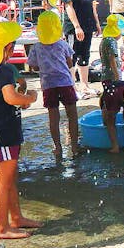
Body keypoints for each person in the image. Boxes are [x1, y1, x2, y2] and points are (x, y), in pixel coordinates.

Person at [0, 21, 42, 239]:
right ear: (8, 48)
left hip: (2, 130)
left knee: (9, 179)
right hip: (5, 132)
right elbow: (11, 97)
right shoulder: (2, 71)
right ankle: (2, 227)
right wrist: (29, 98)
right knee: (4, 182)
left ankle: (16, 217)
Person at [27, 11, 80, 158]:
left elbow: (33, 67)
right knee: (72, 115)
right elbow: (70, 63)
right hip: (65, 83)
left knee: (53, 118)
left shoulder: (36, 47)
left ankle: (58, 147)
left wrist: (45, 66)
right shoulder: (62, 44)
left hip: (48, 85)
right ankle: (75, 146)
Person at [60, 0, 101, 99]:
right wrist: (77, 26)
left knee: (85, 55)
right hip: (75, 27)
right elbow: (68, 5)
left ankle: (85, 85)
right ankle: (72, 87)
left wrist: (96, 23)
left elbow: (92, 3)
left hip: (88, 23)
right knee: (73, 55)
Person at [99, 14, 124, 153]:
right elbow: (113, 60)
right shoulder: (112, 42)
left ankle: (115, 146)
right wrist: (117, 75)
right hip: (115, 82)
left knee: (110, 116)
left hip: (108, 83)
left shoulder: (103, 41)